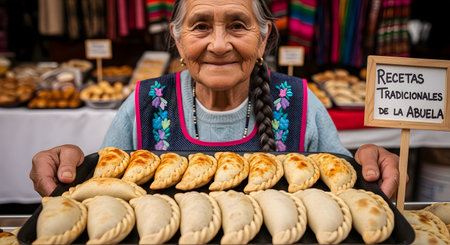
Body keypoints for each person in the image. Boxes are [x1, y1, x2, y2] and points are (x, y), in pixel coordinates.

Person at [30, 0, 400, 199]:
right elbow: (102, 195)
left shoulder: (299, 101)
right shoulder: (146, 102)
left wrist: (368, 167)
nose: (219, 45)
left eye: (238, 25)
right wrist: (72, 172)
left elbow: (344, 192)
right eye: (201, 25)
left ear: (264, 37)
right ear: (177, 38)